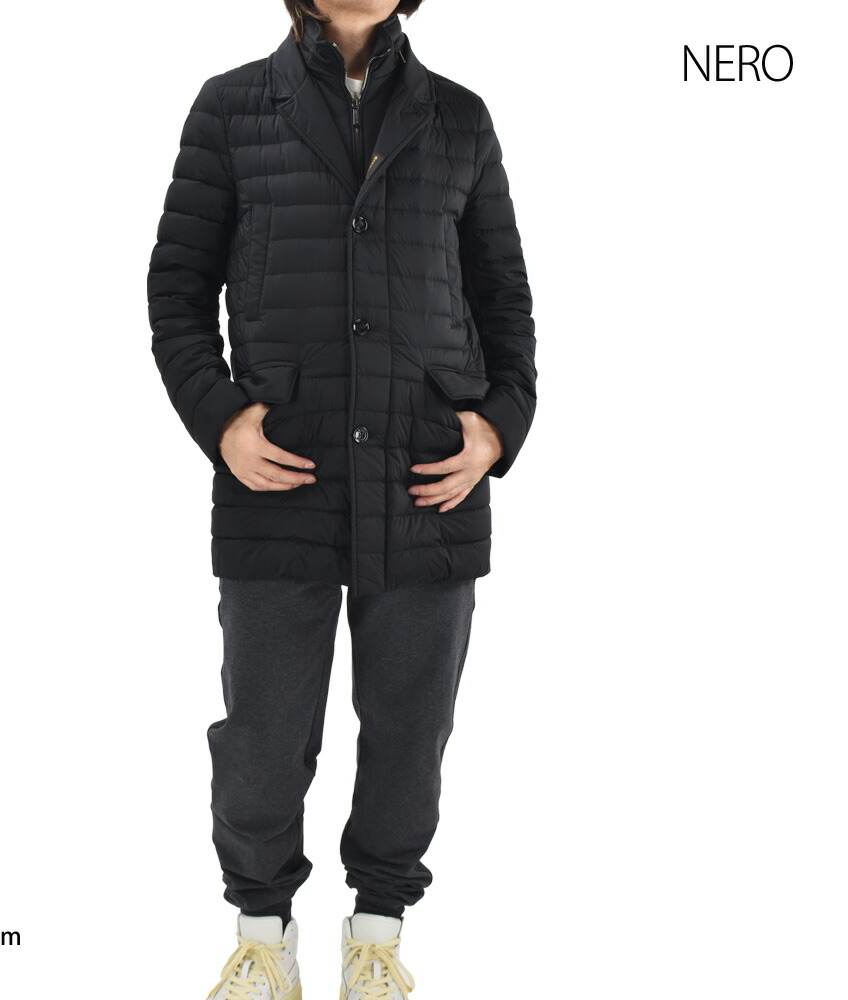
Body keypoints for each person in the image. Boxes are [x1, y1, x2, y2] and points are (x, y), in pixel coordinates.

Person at [147, 0, 536, 996]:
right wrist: (222, 420)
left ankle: (376, 937)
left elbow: (503, 296)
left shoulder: (459, 116)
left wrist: (497, 427)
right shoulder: (232, 107)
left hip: (428, 479)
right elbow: (176, 290)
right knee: (263, 736)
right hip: (281, 474)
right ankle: (262, 936)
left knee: (410, 731)